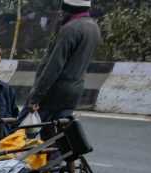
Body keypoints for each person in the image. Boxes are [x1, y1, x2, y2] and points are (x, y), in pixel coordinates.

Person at [26, 0, 101, 128]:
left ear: (69, 9)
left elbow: (54, 67)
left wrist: (36, 97)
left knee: (26, 131)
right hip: (74, 91)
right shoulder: (94, 27)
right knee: (58, 134)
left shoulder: (70, 29)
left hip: (55, 92)